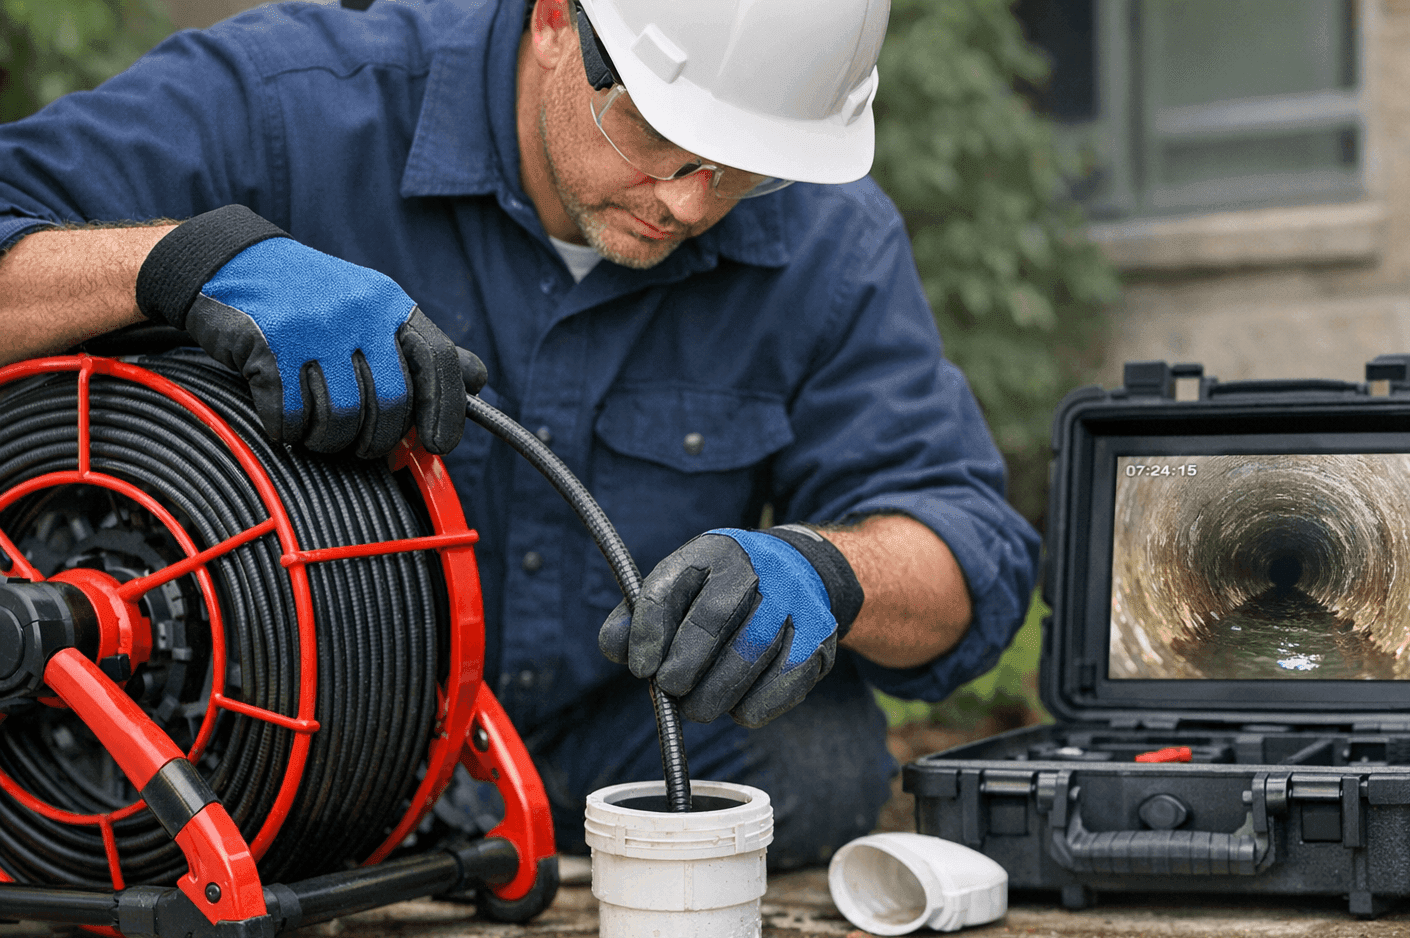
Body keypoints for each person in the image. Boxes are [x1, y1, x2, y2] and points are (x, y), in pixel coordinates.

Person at [0, 0, 1039, 868]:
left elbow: (968, 551)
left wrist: (831, 570)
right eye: (654, 135)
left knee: (821, 748)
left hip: (601, 755)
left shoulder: (829, 244)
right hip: (262, 740)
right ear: (555, 20)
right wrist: (184, 260)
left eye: (740, 170)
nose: (687, 200)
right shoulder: (284, 106)